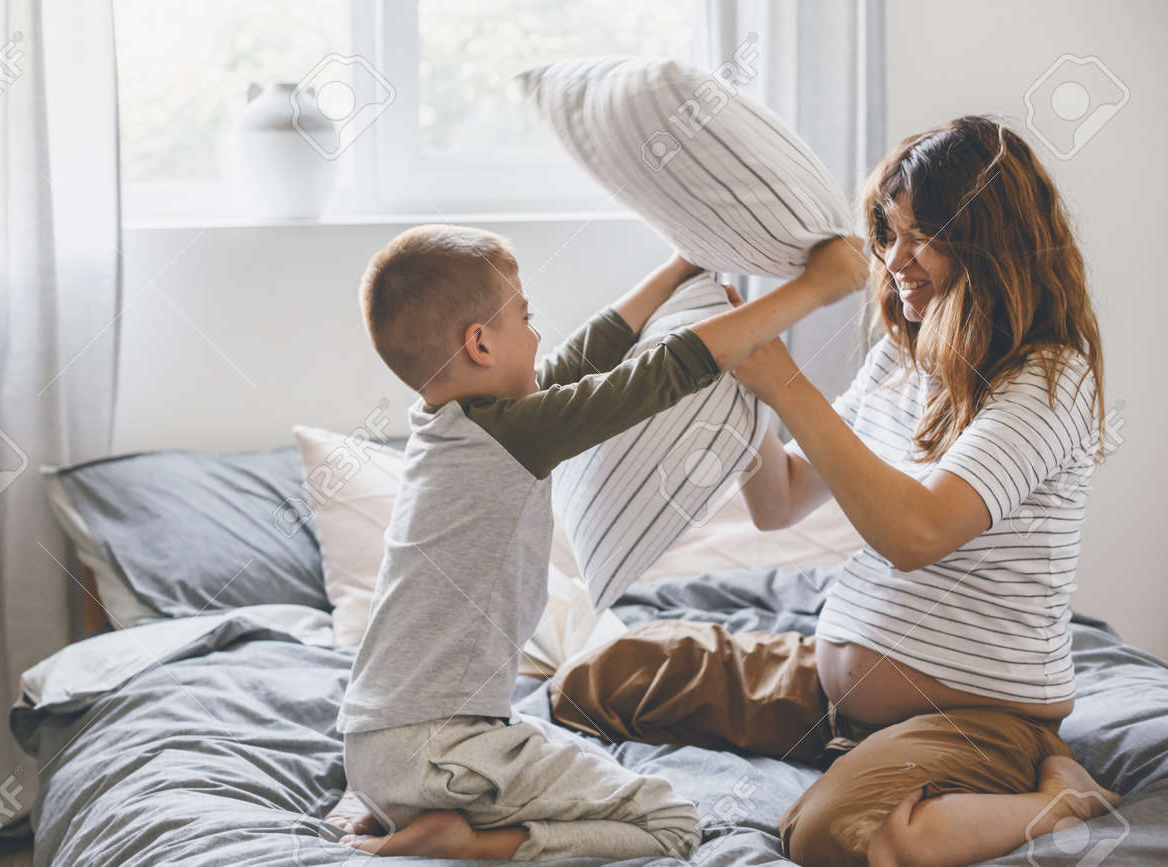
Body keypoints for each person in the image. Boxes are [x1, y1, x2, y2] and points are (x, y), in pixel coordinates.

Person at [549, 115, 1121, 867]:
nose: (898, 259)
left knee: (828, 836)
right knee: (594, 678)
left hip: (974, 716)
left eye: (922, 237)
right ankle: (864, 751)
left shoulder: (1048, 379)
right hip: (834, 700)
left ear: (991, 241)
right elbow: (778, 499)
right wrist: (739, 372)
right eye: (889, 233)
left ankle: (1058, 795)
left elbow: (916, 533)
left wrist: (784, 381)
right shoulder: (903, 355)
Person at [329, 223, 867, 859]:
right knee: (669, 822)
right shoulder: (512, 435)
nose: (536, 333)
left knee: (554, 749)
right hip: (441, 749)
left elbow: (583, 361)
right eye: (525, 317)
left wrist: (679, 265)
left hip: (371, 747)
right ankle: (472, 841)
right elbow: (659, 376)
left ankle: (409, 808)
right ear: (479, 344)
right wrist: (815, 289)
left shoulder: (453, 429)